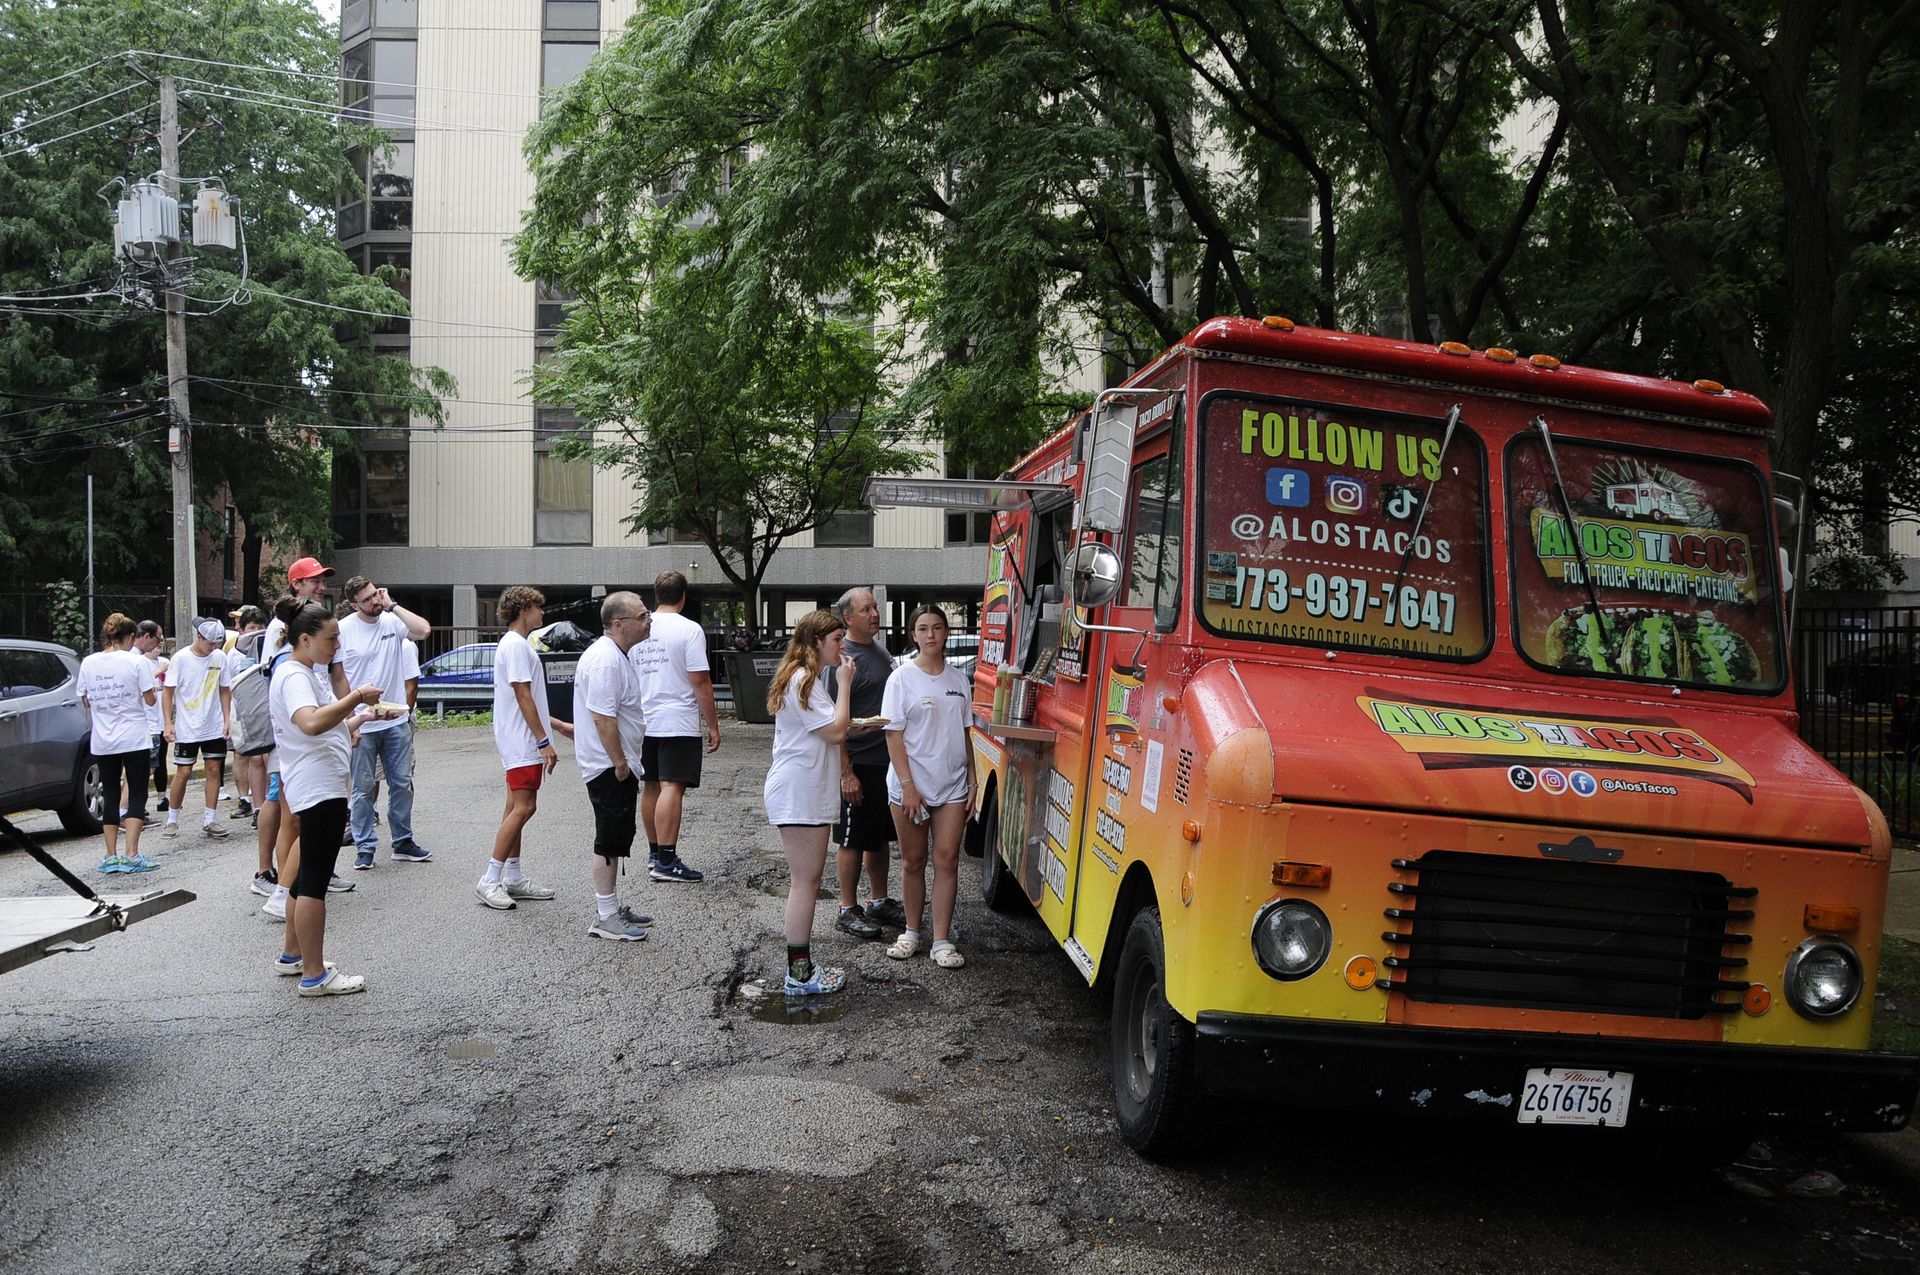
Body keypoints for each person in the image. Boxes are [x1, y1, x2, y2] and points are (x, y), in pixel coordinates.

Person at [269, 599, 386, 996]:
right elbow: (311, 722)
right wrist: (355, 699)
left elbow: (325, 723)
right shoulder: (294, 676)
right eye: (331, 638)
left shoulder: (306, 672)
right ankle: (314, 974)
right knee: (315, 880)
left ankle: (293, 955)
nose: (337, 645)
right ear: (305, 639)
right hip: (317, 788)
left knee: (304, 879)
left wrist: (361, 717)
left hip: (319, 783)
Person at [763, 609, 856, 996]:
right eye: (837, 639)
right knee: (805, 884)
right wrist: (845, 683)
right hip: (799, 790)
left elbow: (829, 729)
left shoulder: (805, 678)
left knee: (808, 881)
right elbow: (836, 731)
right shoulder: (805, 678)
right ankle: (798, 976)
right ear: (817, 642)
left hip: (805, 788)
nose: (842, 646)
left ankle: (801, 970)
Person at [882, 606, 976, 968]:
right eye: (923, 628)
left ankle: (941, 939)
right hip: (912, 787)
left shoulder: (959, 679)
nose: (931, 634)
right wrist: (907, 786)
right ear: (914, 635)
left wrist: (973, 779)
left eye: (937, 627)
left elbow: (966, 734)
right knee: (913, 860)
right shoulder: (901, 678)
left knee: (948, 858)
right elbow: (893, 735)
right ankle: (910, 932)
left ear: (947, 633)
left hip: (952, 785)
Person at [562, 591, 656, 938]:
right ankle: (604, 916)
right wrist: (618, 761)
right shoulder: (605, 659)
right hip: (608, 765)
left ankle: (612, 907)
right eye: (643, 616)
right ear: (619, 624)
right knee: (609, 837)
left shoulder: (615, 655)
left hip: (616, 762)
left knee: (616, 837)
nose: (649, 623)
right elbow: (603, 717)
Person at [486, 586, 575, 910]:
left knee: (515, 808)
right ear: (524, 609)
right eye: (538, 607)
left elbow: (527, 699)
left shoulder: (515, 645)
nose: (542, 613)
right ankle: (490, 879)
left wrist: (560, 727)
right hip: (521, 740)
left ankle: (512, 876)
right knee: (524, 807)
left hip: (517, 737)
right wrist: (542, 742)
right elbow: (523, 696)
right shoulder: (516, 647)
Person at [337, 575, 433, 870]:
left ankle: (403, 841)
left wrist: (392, 604)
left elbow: (423, 630)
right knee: (363, 788)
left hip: (395, 719)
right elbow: (337, 677)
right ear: (354, 605)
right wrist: (350, 718)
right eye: (367, 599)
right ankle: (364, 846)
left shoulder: (391, 620)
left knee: (402, 783)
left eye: (375, 595)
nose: (374, 601)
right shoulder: (343, 630)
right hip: (363, 723)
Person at [827, 587, 907, 941]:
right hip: (857, 763)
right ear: (848, 617)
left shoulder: (880, 650)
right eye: (867, 609)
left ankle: (878, 900)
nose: (876, 614)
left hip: (884, 762)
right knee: (853, 839)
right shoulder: (842, 659)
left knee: (879, 838)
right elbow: (833, 721)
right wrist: (846, 772)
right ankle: (847, 907)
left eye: (876, 607)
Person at [629, 570, 715, 884]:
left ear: (656, 595)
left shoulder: (640, 627)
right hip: (677, 719)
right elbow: (701, 682)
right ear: (683, 597)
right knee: (672, 787)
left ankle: (654, 854)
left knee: (651, 784)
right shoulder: (689, 630)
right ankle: (666, 859)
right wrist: (714, 726)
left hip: (644, 719)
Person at [79, 613, 159, 874]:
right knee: (136, 792)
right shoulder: (136, 662)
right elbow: (150, 701)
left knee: (110, 793)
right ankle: (132, 854)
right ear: (129, 637)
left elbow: (86, 699)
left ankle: (110, 855)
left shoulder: (89, 662)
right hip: (133, 736)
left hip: (103, 739)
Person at [161, 618, 234, 839]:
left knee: (214, 770)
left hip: (213, 724)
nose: (212, 648)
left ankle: (210, 819)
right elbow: (168, 692)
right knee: (183, 772)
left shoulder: (219, 658)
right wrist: (168, 722)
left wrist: (227, 719)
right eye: (209, 643)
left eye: (216, 644)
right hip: (188, 726)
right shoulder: (181, 658)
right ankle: (172, 818)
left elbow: (224, 689)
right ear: (199, 637)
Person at [228, 606, 269, 822]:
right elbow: (227, 688)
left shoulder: (269, 646)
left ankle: (270, 805)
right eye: (252, 628)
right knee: (251, 757)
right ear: (242, 630)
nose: (256, 632)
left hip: (266, 708)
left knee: (267, 757)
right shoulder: (233, 653)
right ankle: (254, 805)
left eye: (260, 628)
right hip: (245, 711)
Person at [132, 620, 169, 815]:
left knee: (154, 763)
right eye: (158, 639)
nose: (159, 644)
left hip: (156, 723)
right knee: (146, 767)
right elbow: (149, 698)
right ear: (146, 637)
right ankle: (131, 808)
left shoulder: (137, 658)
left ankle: (134, 808)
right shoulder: (137, 661)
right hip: (146, 723)